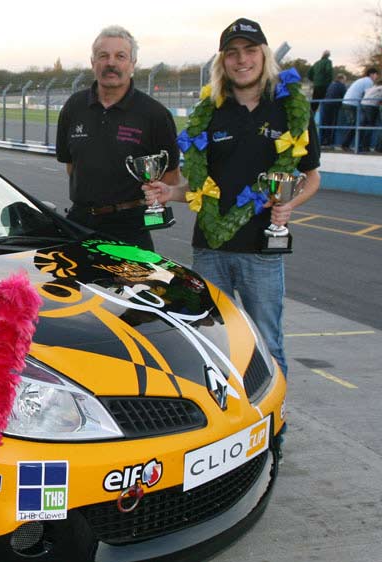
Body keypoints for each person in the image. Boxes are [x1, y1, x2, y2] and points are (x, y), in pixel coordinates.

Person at [143, 17, 321, 377]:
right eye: (232, 53)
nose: (242, 60)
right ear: (222, 61)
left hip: (261, 253)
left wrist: (288, 203)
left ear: (264, 55)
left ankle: (273, 414)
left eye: (250, 51)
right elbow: (200, 187)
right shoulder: (210, 113)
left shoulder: (290, 110)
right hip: (210, 250)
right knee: (213, 344)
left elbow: (312, 178)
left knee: (268, 343)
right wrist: (170, 192)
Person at [56, 25, 182, 251]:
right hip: (79, 223)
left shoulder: (155, 114)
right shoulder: (74, 107)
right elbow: (71, 165)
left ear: (132, 64)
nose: (111, 63)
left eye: (120, 56)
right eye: (103, 56)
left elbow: (170, 176)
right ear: (93, 62)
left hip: (130, 228)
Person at [339, 67, 379, 152]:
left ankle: (352, 145)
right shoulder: (369, 81)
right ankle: (346, 145)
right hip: (352, 103)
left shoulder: (363, 80)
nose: (376, 77)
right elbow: (368, 95)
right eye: (376, 75)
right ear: (371, 74)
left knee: (356, 125)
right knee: (355, 125)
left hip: (348, 102)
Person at [320, 73, 347, 146]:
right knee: (332, 123)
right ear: (341, 79)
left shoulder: (331, 85)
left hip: (326, 105)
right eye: (345, 80)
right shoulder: (341, 86)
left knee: (325, 123)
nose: (345, 81)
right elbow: (345, 96)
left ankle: (323, 141)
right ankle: (329, 141)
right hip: (334, 106)